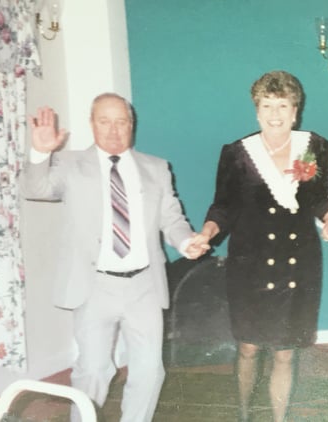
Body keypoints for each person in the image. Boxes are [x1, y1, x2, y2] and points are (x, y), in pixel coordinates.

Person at [21, 93, 209, 422]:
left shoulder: (156, 168)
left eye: (121, 122)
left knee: (150, 370)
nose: (113, 130)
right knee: (93, 370)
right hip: (94, 285)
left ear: (131, 126)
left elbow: (172, 219)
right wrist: (40, 152)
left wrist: (186, 242)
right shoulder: (69, 164)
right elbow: (37, 189)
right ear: (91, 124)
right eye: (104, 121)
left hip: (144, 284)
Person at [193, 70, 328, 422]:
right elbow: (223, 207)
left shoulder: (314, 147)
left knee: (285, 352)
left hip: (297, 264)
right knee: (247, 348)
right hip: (250, 265)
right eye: (267, 105)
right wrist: (207, 231)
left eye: (283, 105)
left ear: (296, 111)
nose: (275, 114)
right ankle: (245, 414)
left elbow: (318, 199)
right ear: (256, 110)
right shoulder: (237, 153)